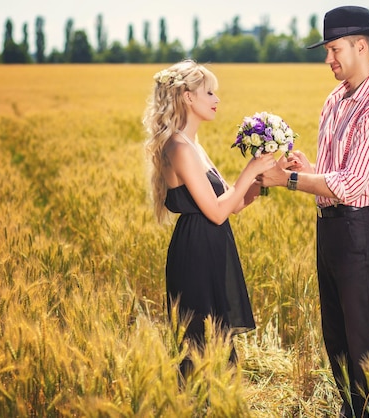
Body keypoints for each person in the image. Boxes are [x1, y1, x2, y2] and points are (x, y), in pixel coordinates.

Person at [260, 6, 369, 417]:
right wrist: (305, 170)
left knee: (362, 340)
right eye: (327, 50)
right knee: (337, 339)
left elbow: (349, 184)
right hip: (328, 230)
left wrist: (284, 181)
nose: (329, 59)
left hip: (359, 231)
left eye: (335, 49)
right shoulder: (334, 100)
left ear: (362, 46)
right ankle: (350, 410)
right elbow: (330, 175)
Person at [143, 59, 276, 379]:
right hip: (196, 253)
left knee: (217, 348)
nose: (217, 100)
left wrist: (262, 180)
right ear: (188, 97)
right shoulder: (178, 146)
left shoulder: (194, 145)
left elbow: (232, 203)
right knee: (198, 349)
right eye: (210, 92)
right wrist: (248, 172)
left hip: (212, 247)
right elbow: (217, 212)